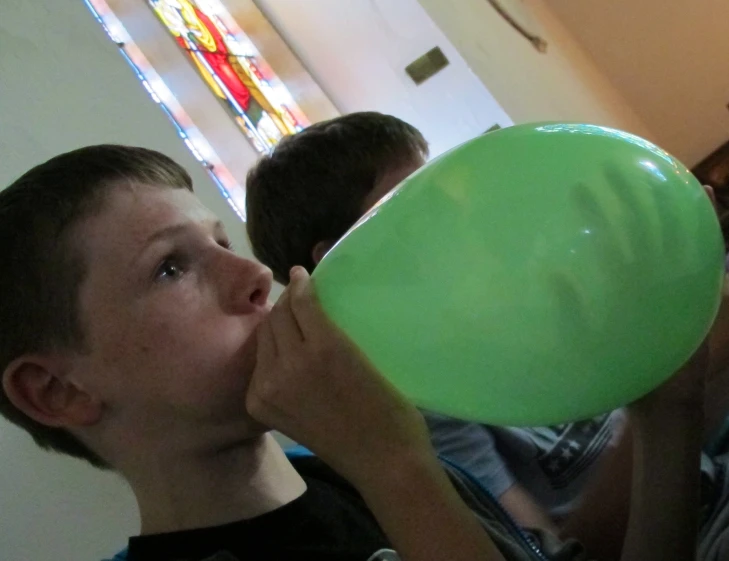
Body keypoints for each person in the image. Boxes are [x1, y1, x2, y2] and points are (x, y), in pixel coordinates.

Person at [0, 144, 706, 561]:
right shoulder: (389, 460)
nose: (252, 277)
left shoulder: (366, 469)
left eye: (220, 242)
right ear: (57, 391)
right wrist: (398, 470)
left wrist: (666, 412)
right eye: (169, 268)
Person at [244, 112, 721, 559]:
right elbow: (567, 549)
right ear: (341, 255)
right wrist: (672, 402)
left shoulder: (501, 296)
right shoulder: (408, 399)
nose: (454, 201)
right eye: (413, 195)